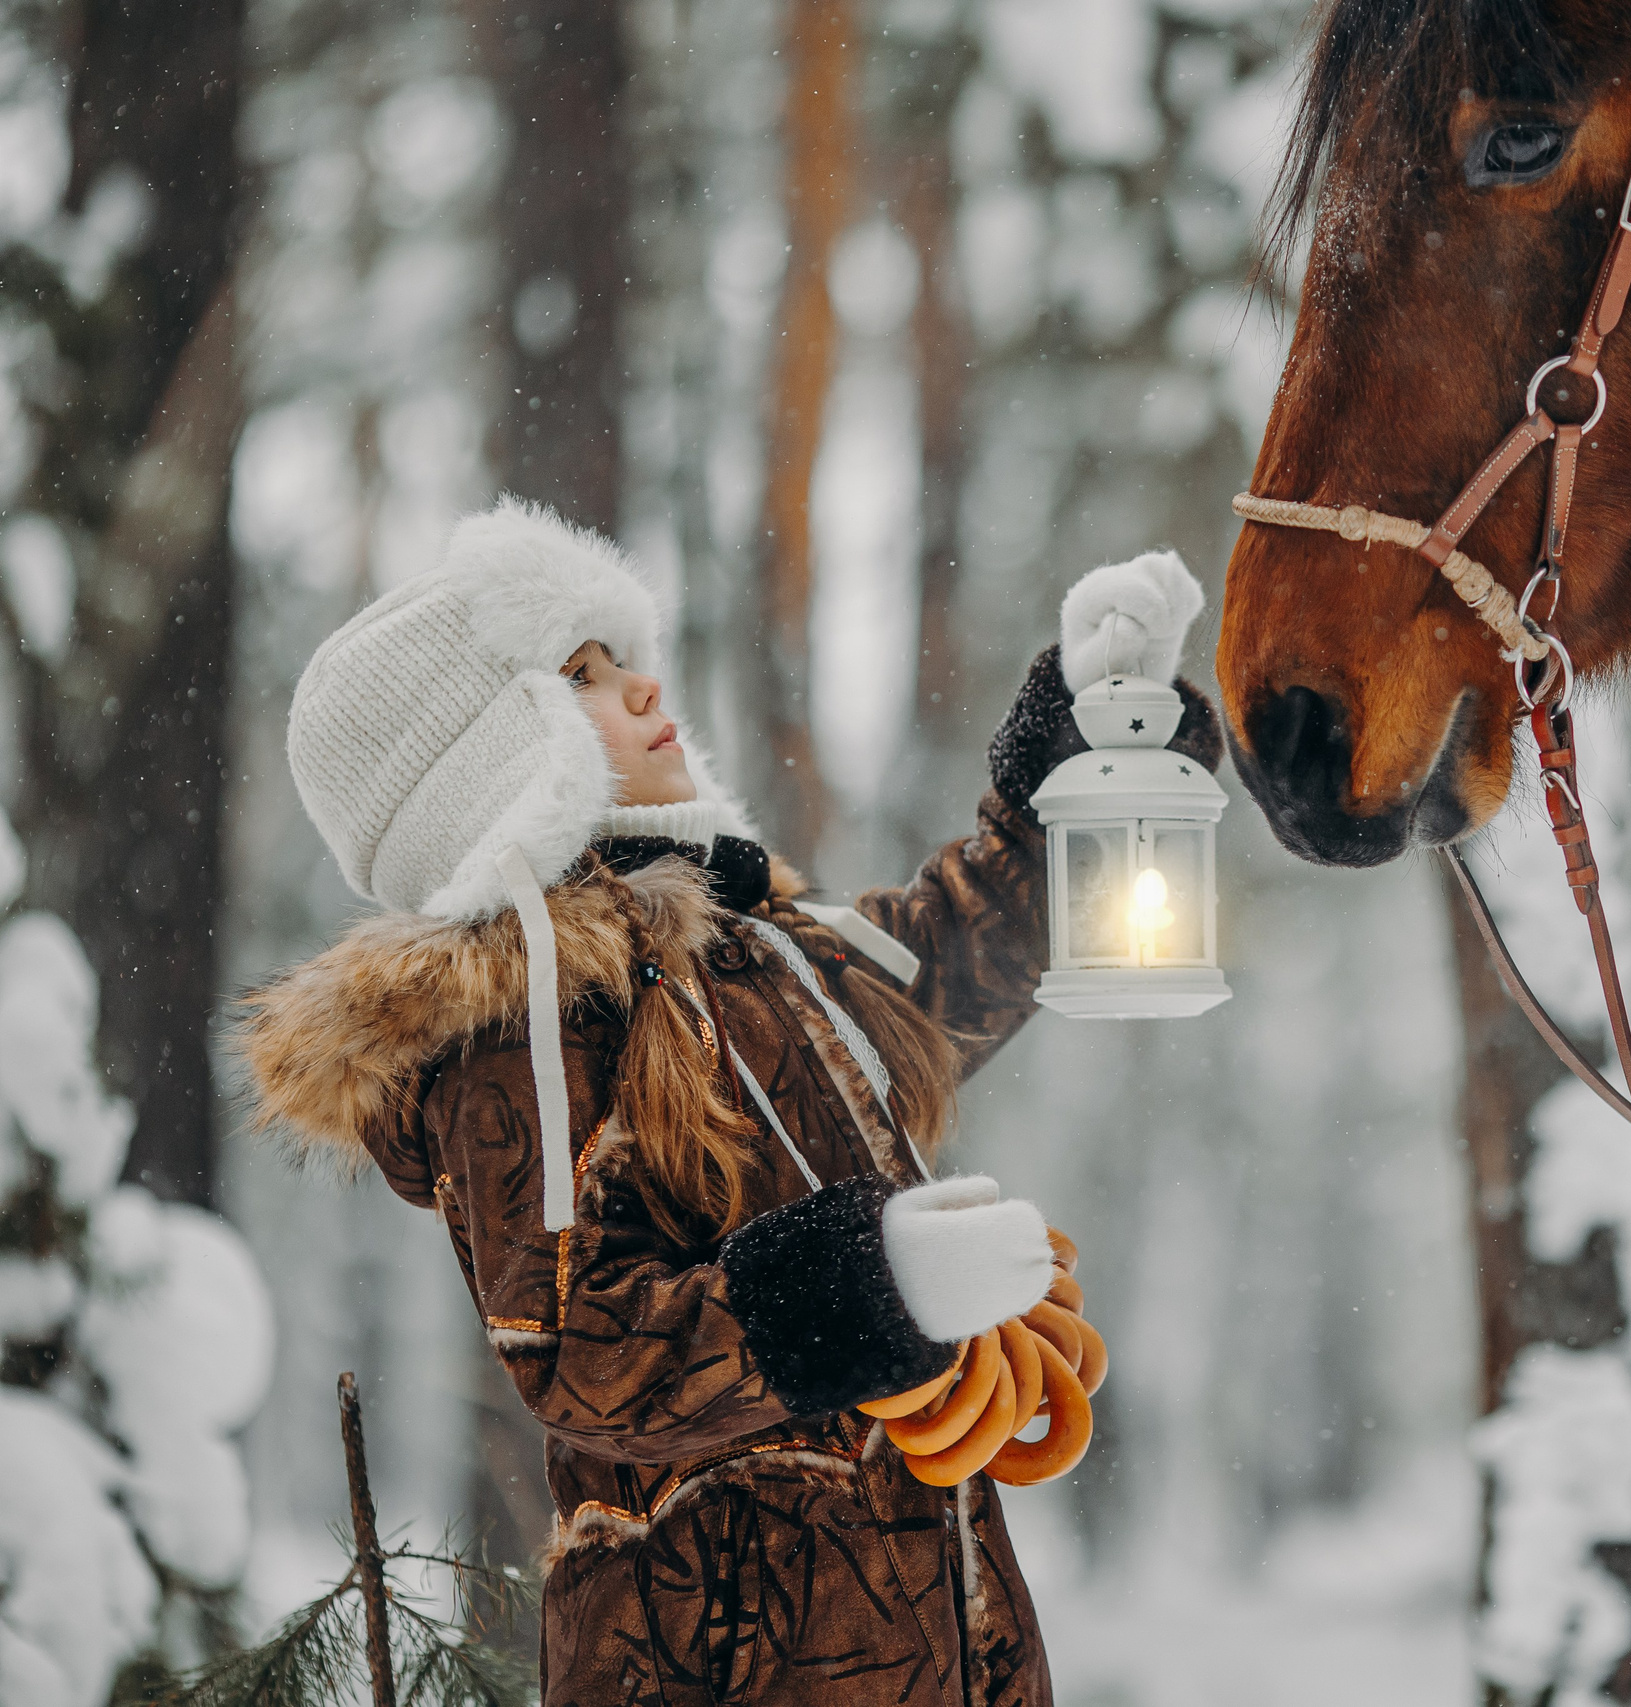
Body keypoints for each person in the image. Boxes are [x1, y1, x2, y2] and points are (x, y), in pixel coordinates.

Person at [239, 498, 1219, 1706]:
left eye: (629, 660)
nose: (649, 691)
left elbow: (951, 962)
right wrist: (874, 1284)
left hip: (935, 1635)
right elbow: (583, 1350)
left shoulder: (758, 951)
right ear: (497, 757)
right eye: (584, 675)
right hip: (722, 1666)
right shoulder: (520, 1028)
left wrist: (1076, 746)